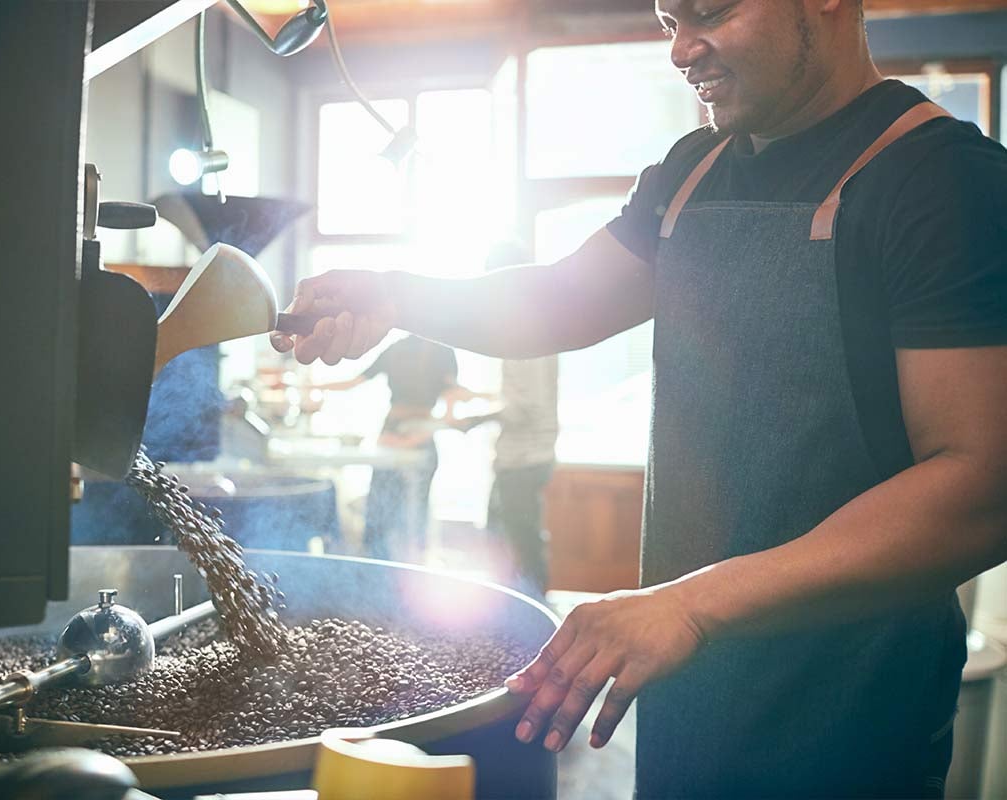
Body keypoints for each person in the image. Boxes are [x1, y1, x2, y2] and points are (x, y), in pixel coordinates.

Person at [271, 0, 1007, 795]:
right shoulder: (690, 171)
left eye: (710, 12)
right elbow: (560, 301)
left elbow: (981, 487)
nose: (683, 50)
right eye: (667, 20)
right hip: (685, 691)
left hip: (852, 713)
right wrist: (393, 295)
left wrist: (691, 606)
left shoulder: (942, 180)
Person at [305, 334, 463, 560]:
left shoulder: (439, 351)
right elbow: (356, 381)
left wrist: (411, 440)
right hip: (398, 435)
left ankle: (400, 570)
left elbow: (355, 382)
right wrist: (310, 385)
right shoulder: (404, 348)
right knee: (382, 512)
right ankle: (384, 568)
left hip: (411, 436)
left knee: (405, 515)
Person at [466, 240, 559, 597]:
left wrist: (475, 419)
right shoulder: (537, 322)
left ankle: (535, 624)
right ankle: (513, 618)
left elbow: (525, 407)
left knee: (520, 546)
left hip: (524, 458)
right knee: (502, 539)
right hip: (524, 456)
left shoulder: (528, 330)